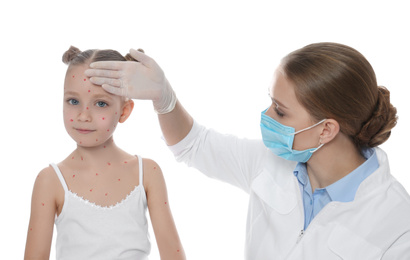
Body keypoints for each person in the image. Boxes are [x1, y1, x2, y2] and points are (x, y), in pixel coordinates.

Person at [84, 42, 410, 259]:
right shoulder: (269, 164)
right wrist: (163, 98)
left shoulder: (397, 223)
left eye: (280, 111)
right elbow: (194, 145)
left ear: (326, 129)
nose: (267, 117)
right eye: (271, 102)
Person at [24, 46, 186, 260]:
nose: (83, 115)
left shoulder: (147, 173)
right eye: (73, 101)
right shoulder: (50, 181)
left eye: (100, 103)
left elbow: (173, 255)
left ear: (124, 111)